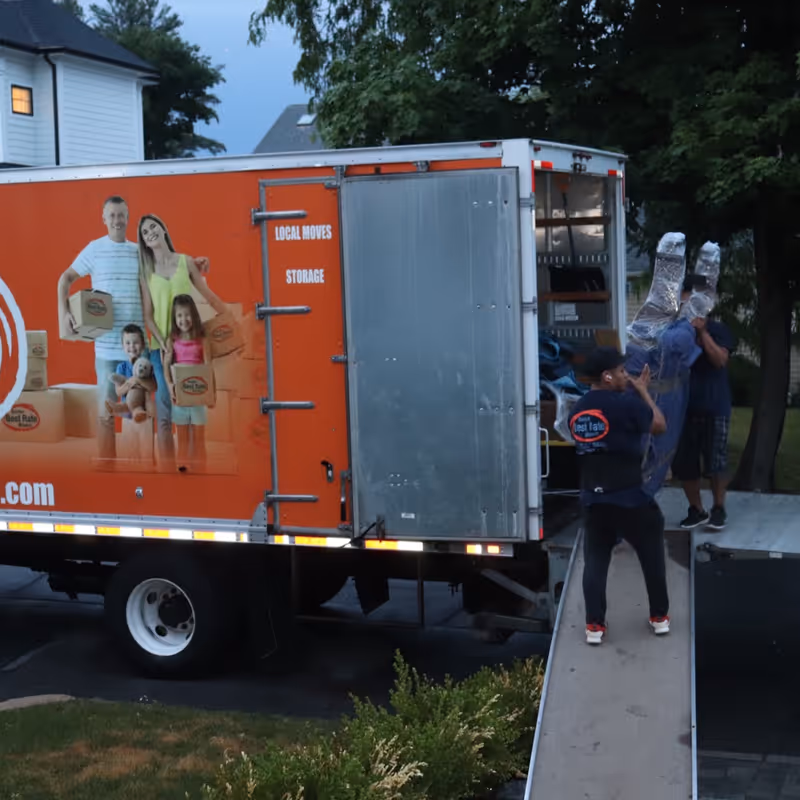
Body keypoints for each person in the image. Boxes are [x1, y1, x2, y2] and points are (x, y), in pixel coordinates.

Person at [57, 197, 209, 464]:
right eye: (112, 215)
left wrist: (195, 264)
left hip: (143, 350)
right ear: (103, 219)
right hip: (106, 351)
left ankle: (164, 468)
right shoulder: (94, 250)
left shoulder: (139, 251)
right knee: (106, 414)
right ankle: (107, 466)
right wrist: (65, 312)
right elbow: (65, 278)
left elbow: (168, 262)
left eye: (122, 215)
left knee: (158, 407)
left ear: (128, 218)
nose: (117, 220)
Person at [569, 346, 670, 646]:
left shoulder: (578, 410)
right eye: (623, 371)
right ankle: (659, 618)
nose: (627, 376)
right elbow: (660, 425)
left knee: (596, 560)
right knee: (651, 554)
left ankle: (594, 626)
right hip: (630, 497)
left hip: (593, 499)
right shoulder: (625, 405)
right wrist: (643, 391)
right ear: (607, 375)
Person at [137, 214, 226, 469]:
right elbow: (148, 315)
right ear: (143, 241)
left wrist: (228, 317)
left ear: (164, 229)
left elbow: (207, 295)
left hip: (191, 345)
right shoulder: (146, 272)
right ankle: (170, 471)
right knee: (167, 413)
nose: (150, 232)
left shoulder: (186, 262)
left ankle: (196, 468)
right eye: (145, 232)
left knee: (194, 410)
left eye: (153, 226)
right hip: (162, 349)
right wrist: (162, 341)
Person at [673, 275, 738, 531]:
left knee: (716, 462)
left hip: (714, 406)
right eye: (684, 298)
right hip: (683, 409)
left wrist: (701, 331)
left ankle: (719, 508)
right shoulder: (676, 331)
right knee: (685, 463)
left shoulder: (718, 330)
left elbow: (720, 360)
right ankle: (696, 509)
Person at [163, 295, 214, 471]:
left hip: (198, 397)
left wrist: (211, 395)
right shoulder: (172, 340)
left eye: (187, 315)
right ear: (174, 318)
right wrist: (170, 387)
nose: (183, 320)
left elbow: (208, 367)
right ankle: (182, 471)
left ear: (194, 315)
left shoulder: (202, 339)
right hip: (180, 399)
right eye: (179, 316)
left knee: (199, 439)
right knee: (182, 439)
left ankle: (202, 471)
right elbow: (166, 365)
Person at [107, 324, 156, 422]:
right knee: (129, 435)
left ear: (143, 345)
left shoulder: (147, 365)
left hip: (144, 410)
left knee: (144, 435)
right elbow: (119, 391)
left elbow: (153, 387)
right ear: (123, 346)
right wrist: (130, 383)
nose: (132, 346)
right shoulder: (121, 367)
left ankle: (139, 412)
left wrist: (138, 380)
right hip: (127, 409)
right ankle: (115, 408)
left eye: (136, 342)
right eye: (128, 343)